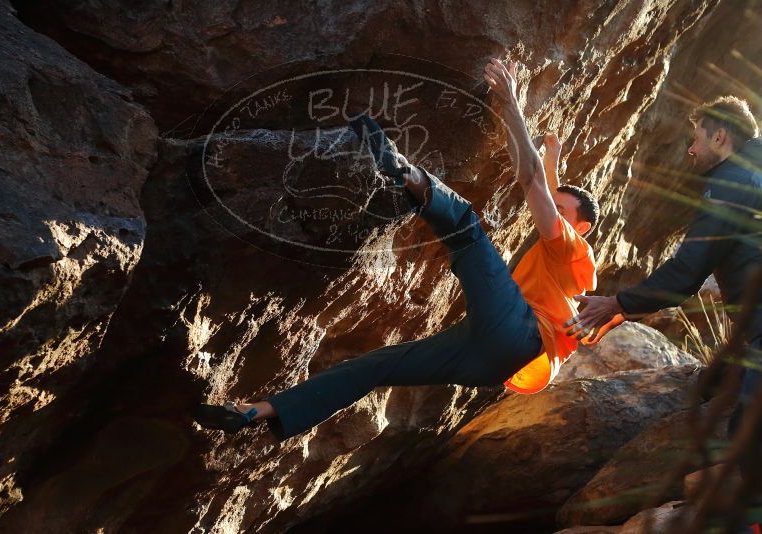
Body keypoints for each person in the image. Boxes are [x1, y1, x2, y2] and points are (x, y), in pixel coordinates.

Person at [192, 59, 601, 441]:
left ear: (581, 228)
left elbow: (532, 185)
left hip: (518, 333)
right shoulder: (569, 267)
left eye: (563, 212)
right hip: (492, 363)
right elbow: (545, 189)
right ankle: (256, 411)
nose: (554, 214)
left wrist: (511, 102)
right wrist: (552, 162)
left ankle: (401, 169)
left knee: (464, 224)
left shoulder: (570, 246)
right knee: (378, 365)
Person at [564, 96, 762, 527]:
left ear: (720, 136)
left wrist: (617, 304)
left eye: (696, 139)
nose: (691, 150)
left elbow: (686, 271)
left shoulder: (729, 182)